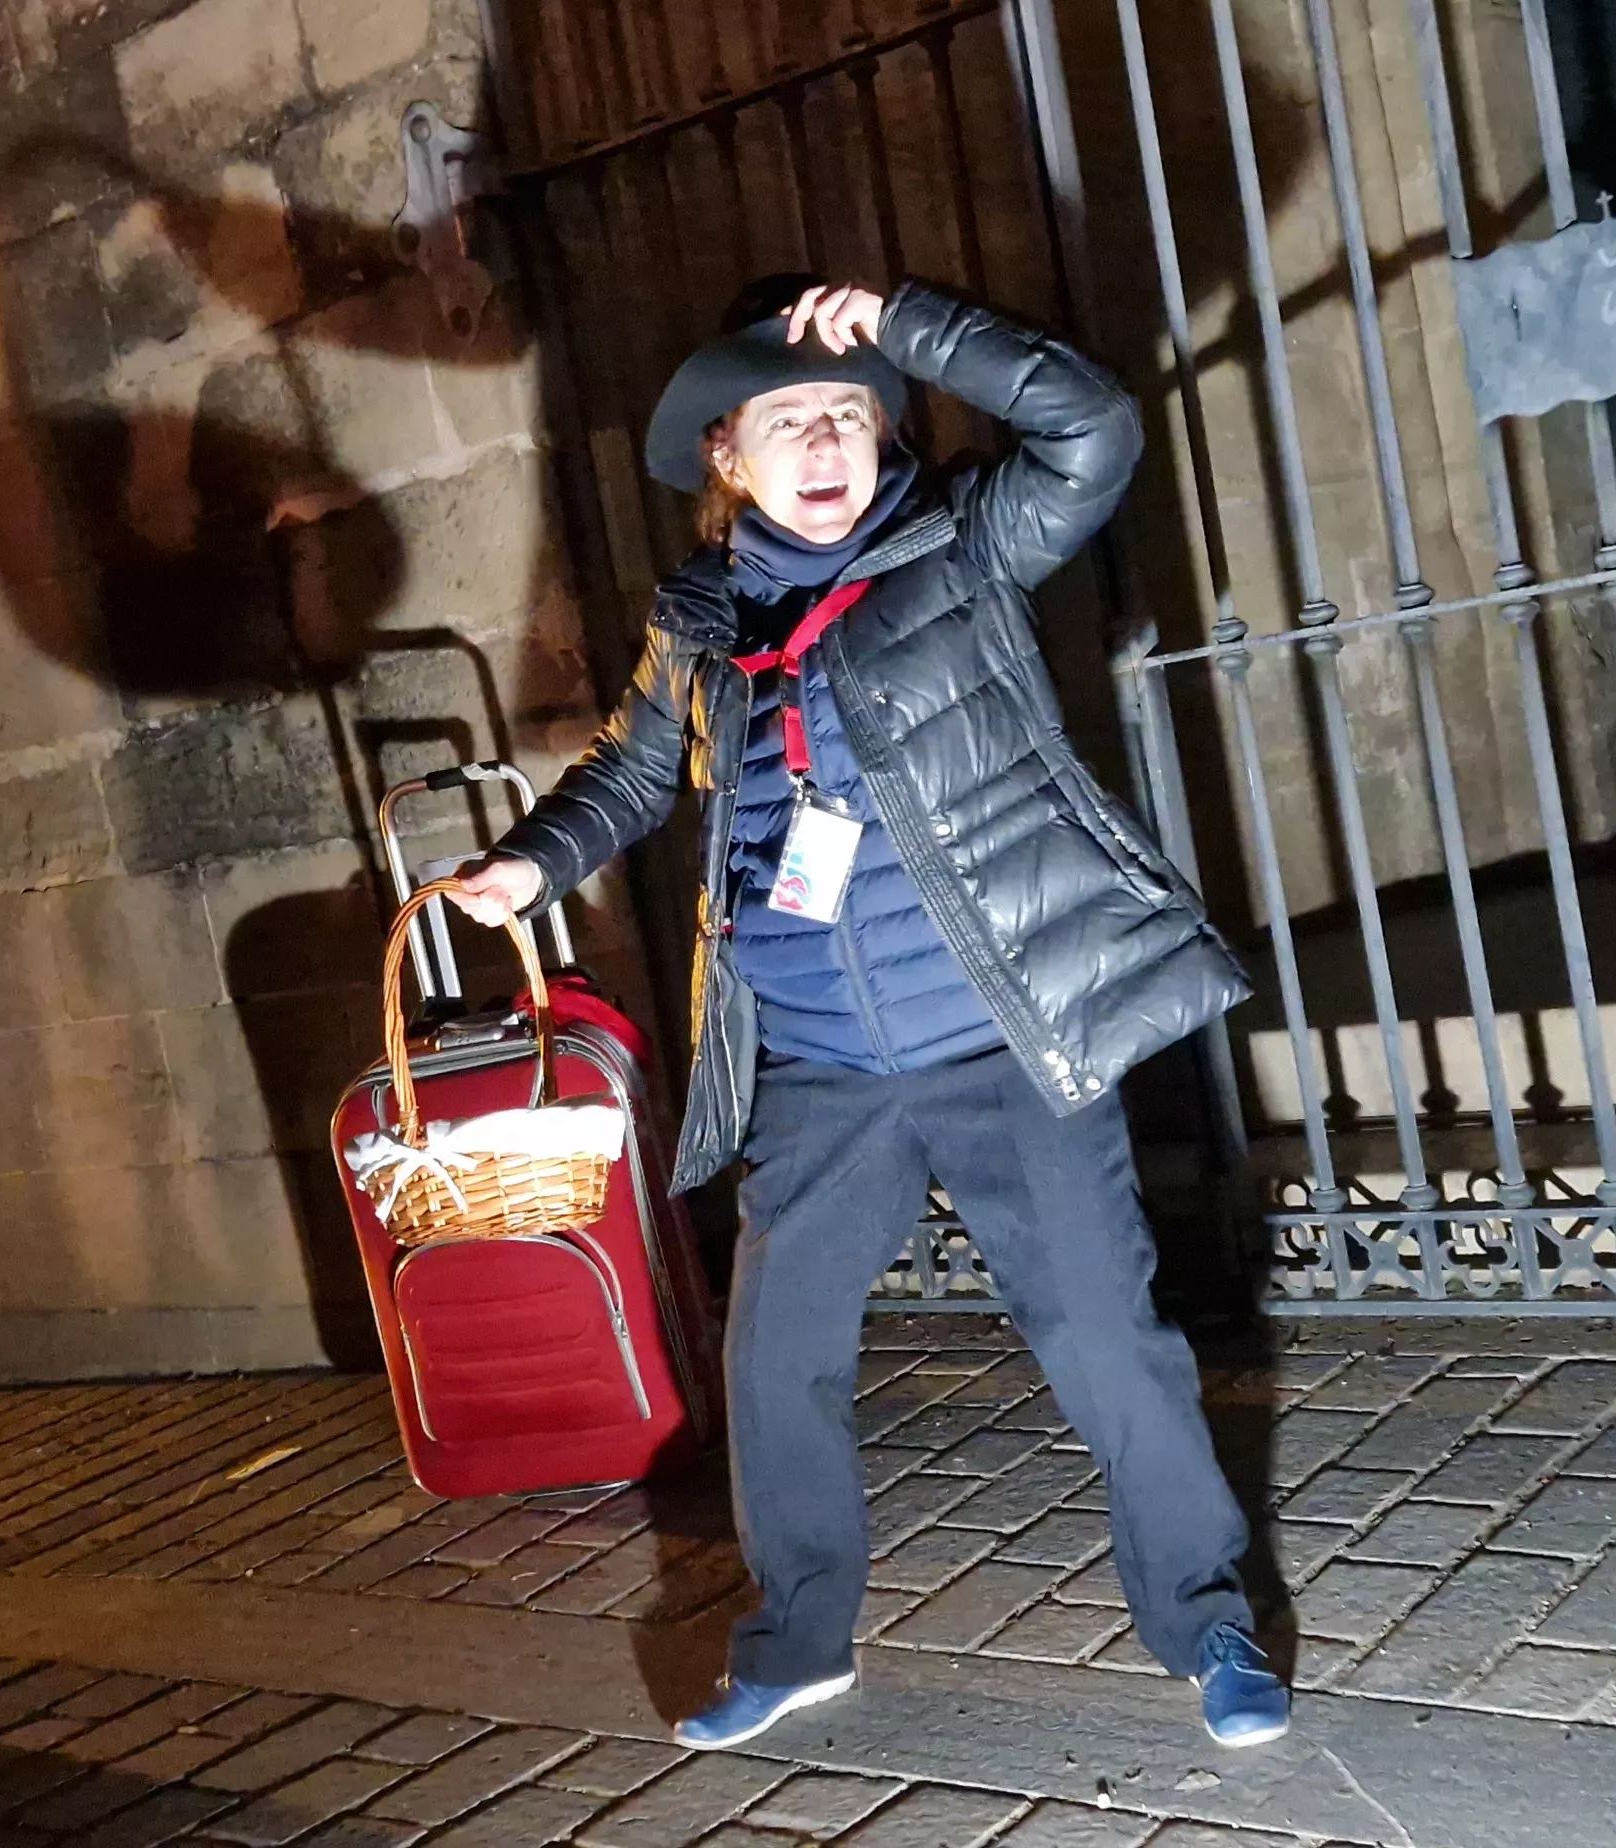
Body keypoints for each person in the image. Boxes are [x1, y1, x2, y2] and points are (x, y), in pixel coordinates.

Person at [444, 277, 1287, 1749]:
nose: (827, 443)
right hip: (820, 1065)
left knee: (1102, 1334)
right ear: (731, 458)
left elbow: (1092, 430)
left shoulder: (960, 547)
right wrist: (534, 861)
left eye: (850, 414)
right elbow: (638, 775)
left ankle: (1210, 1624)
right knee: (773, 1360)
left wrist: (909, 328)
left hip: (998, 1038)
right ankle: (796, 1639)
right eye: (792, 421)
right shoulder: (700, 626)